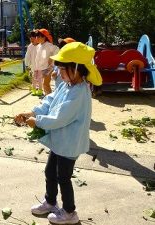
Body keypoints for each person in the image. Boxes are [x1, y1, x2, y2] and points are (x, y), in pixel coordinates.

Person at [15, 42, 102, 225]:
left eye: (63, 68)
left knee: (63, 177)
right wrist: (32, 112)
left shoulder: (79, 92)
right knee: (50, 172)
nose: (59, 72)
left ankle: (70, 212)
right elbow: (50, 101)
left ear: (77, 68)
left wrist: (37, 122)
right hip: (60, 141)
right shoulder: (68, 85)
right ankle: (51, 202)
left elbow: (59, 117)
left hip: (69, 144)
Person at [34, 29, 59, 96]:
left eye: (38, 36)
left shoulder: (48, 45)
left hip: (48, 67)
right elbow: (38, 58)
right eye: (36, 36)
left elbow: (57, 50)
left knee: (45, 84)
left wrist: (51, 57)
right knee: (44, 84)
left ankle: (50, 100)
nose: (37, 38)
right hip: (41, 67)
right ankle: (48, 97)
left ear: (44, 37)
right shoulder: (39, 46)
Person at [24, 30, 40, 95]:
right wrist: (27, 65)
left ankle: (40, 89)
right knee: (34, 77)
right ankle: (34, 89)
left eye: (33, 37)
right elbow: (27, 56)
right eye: (30, 38)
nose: (31, 39)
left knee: (40, 78)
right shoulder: (30, 46)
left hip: (41, 65)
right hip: (33, 65)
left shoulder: (41, 45)